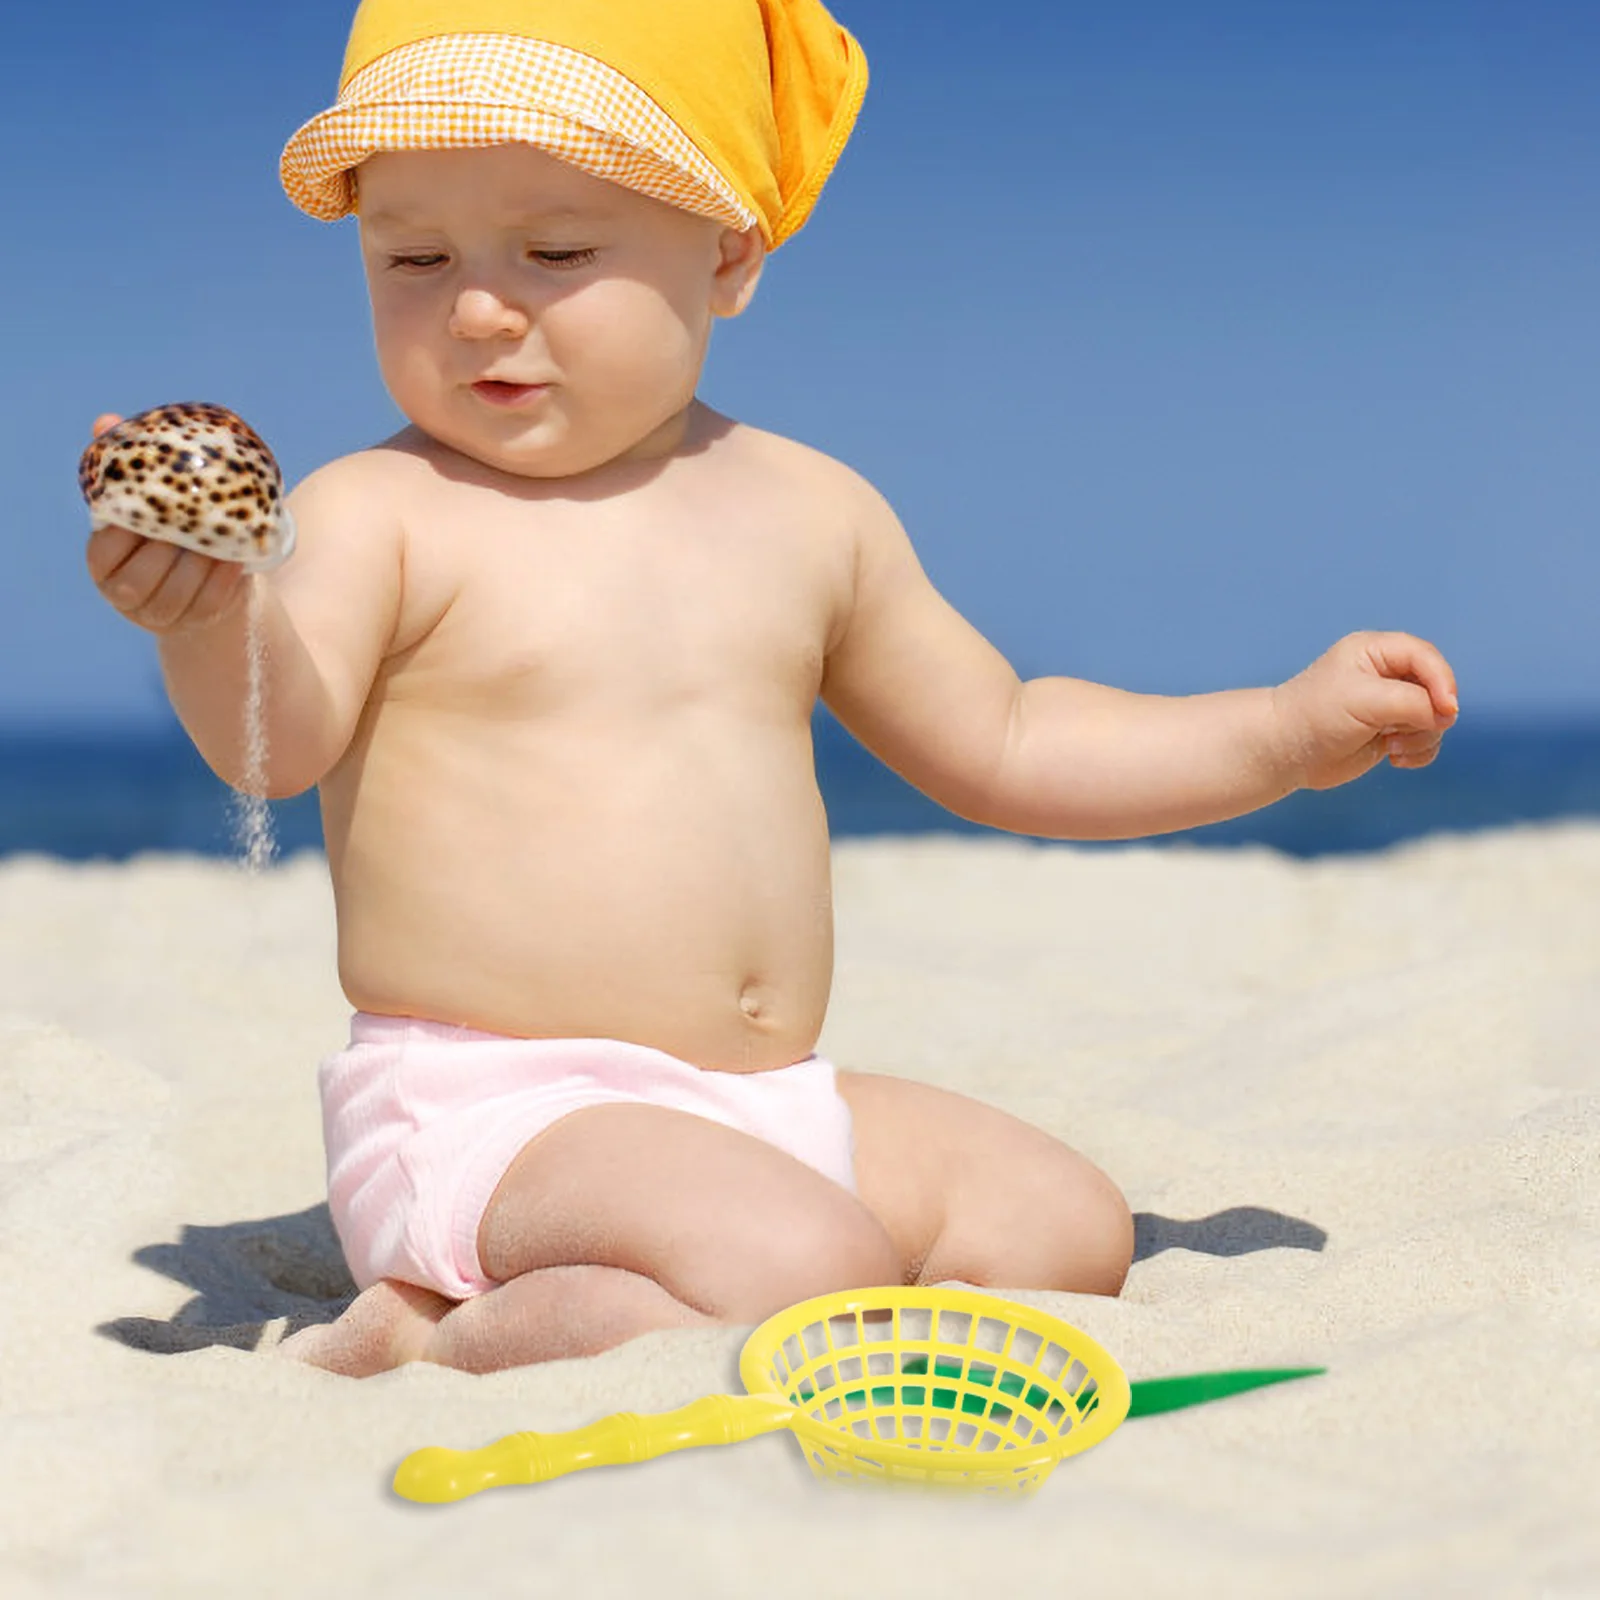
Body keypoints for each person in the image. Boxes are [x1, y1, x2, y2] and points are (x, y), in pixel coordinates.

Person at [84, 0, 1458, 1377]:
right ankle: (432, 1338)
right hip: (489, 1111)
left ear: (731, 254)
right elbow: (278, 738)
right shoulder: (384, 510)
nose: (479, 304)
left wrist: (1278, 733)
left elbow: (1012, 737)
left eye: (555, 250)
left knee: (1058, 1224)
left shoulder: (811, 512)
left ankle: (682, 1300)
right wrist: (210, 617)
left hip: (759, 1103)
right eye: (413, 256)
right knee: (802, 1268)